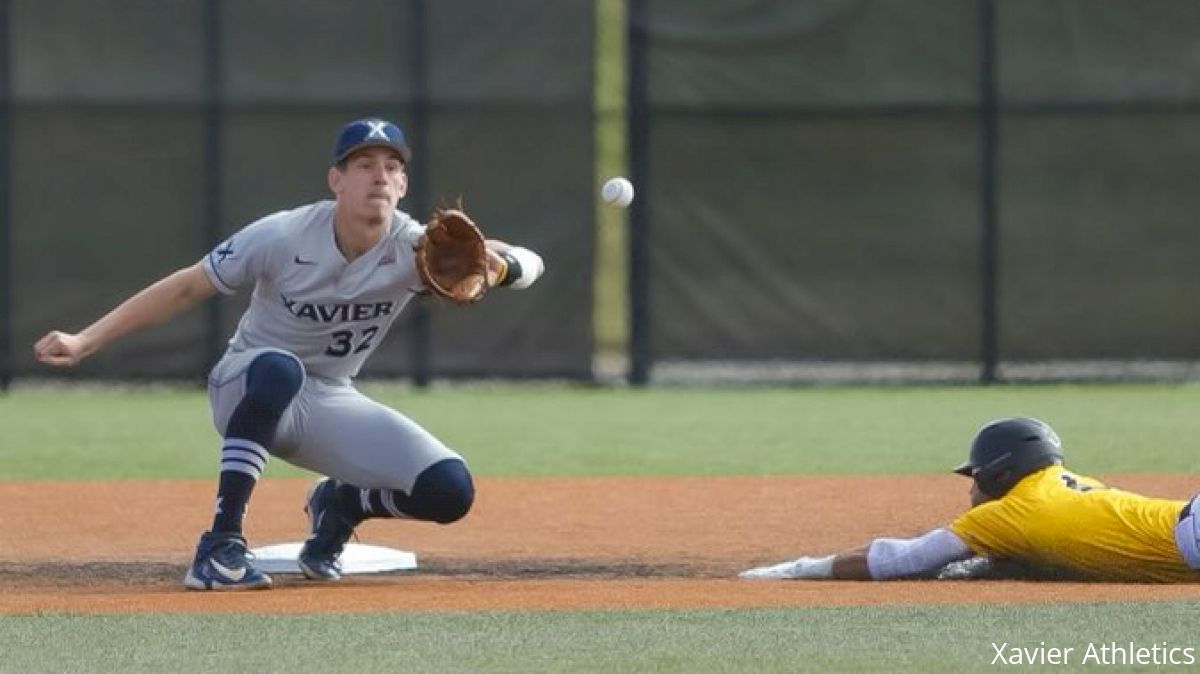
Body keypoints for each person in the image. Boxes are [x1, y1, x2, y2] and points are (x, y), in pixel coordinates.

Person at [33, 118, 545, 590]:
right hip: (246, 384)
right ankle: (220, 544)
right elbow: (188, 287)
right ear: (335, 180)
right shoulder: (283, 234)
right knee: (281, 368)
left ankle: (341, 503)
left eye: (392, 167)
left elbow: (527, 260)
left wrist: (503, 269)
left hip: (327, 399)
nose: (380, 177)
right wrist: (85, 340)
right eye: (364, 165)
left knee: (449, 491)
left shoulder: (415, 248)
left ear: (405, 185)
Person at [740, 416, 1200, 583]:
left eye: (976, 477)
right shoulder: (1068, 485)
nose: (971, 490)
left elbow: (900, 559)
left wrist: (802, 567)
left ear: (1003, 473)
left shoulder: (1008, 511)